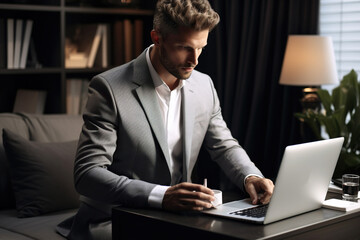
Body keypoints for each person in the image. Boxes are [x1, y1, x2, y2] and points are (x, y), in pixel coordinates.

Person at [57, 0, 274, 239]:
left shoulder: (204, 85)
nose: (195, 59)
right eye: (184, 47)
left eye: (201, 47)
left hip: (180, 221)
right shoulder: (108, 88)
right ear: (157, 38)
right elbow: (88, 173)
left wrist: (250, 176)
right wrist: (162, 196)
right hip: (114, 220)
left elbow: (224, 145)